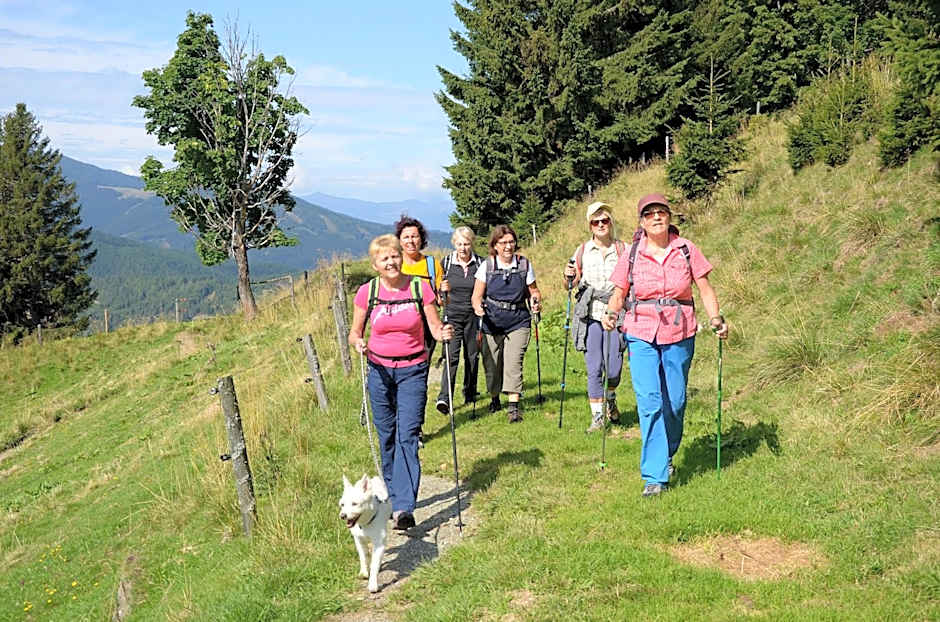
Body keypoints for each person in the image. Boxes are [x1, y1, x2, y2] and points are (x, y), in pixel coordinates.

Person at [602, 193, 728, 498]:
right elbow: (619, 293)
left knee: (676, 401)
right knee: (649, 401)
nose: (657, 217)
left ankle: (668, 452)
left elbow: (705, 289)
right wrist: (610, 312)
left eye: (662, 212)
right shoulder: (631, 254)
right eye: (650, 214)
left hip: (680, 329)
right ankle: (655, 475)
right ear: (642, 222)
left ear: (669, 218)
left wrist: (716, 319)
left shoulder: (686, 250)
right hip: (641, 330)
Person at [349, 234, 454, 530]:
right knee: (387, 437)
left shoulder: (420, 287)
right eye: (384, 259)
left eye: (395, 256)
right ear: (375, 265)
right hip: (379, 371)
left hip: (413, 370)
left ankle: (404, 507)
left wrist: (442, 333)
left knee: (407, 434)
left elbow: (434, 327)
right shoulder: (367, 293)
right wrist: (358, 342)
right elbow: (355, 332)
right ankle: (394, 497)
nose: (392, 262)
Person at [564, 201, 628, 433]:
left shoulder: (624, 249)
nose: (601, 225)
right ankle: (598, 418)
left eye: (605, 220)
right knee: (594, 368)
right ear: (590, 225)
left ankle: (610, 397)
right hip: (590, 317)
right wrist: (568, 276)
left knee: (613, 369)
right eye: (596, 222)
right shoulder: (582, 251)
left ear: (611, 222)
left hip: (616, 316)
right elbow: (569, 284)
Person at [471, 225, 542, 423]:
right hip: (491, 320)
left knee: (514, 362)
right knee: (492, 364)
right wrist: (478, 308)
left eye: (511, 242)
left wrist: (536, 301)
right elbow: (476, 296)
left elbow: (534, 291)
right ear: (495, 245)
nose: (508, 246)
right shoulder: (487, 266)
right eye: (503, 243)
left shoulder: (524, 265)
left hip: (519, 319)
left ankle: (513, 407)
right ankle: (494, 397)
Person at [435, 226, 485, 415]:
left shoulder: (480, 263)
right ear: (454, 244)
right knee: (451, 357)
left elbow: (485, 288)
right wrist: (442, 290)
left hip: (473, 316)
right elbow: (439, 296)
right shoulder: (446, 263)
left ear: (472, 243)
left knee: (472, 356)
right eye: (459, 244)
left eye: (466, 243)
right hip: (451, 316)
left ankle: (470, 392)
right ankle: (444, 398)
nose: (463, 248)